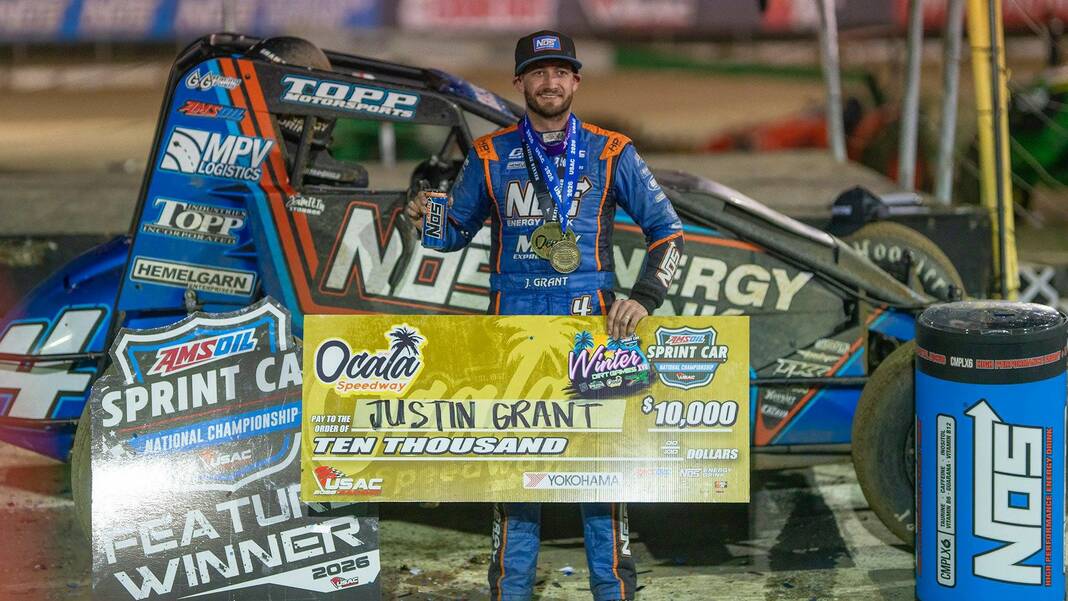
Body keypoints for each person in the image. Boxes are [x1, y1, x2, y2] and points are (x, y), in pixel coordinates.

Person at [405, 30, 684, 601]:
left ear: (576, 81)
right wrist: (425, 217)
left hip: (593, 329)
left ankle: (613, 593)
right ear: (520, 82)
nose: (549, 82)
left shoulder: (612, 150)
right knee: (515, 476)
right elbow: (450, 235)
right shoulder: (491, 154)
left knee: (600, 474)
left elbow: (669, 231)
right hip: (511, 331)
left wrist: (645, 297)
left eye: (560, 71)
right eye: (538, 72)